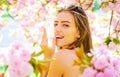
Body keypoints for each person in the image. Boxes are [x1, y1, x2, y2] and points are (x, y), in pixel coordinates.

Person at [40, 5, 93, 77]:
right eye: (56, 24)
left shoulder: (61, 56)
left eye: (65, 25)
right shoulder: (87, 59)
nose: (57, 29)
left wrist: (47, 57)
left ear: (79, 32)